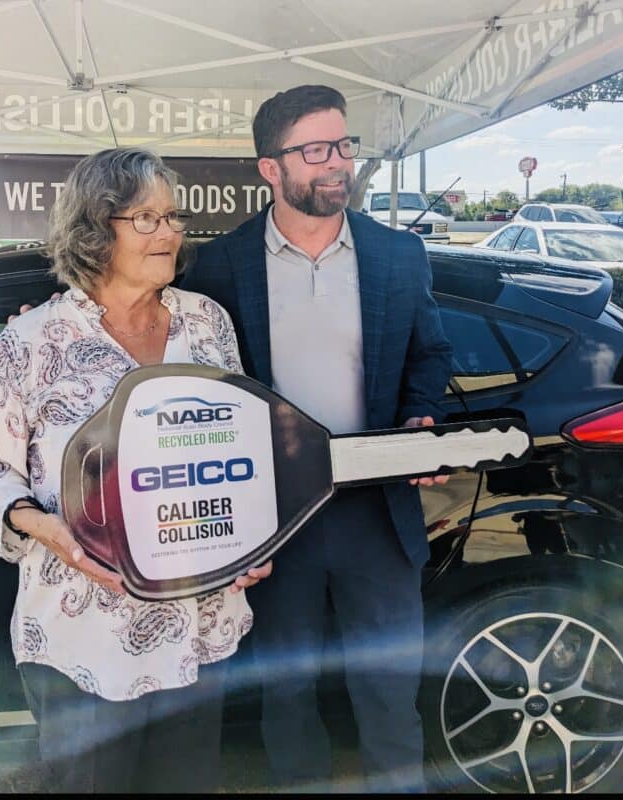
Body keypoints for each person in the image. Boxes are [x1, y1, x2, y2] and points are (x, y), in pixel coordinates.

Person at [0, 148, 271, 794]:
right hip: (82, 644)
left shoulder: (207, 325)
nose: (171, 231)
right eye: (147, 218)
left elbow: (242, 451)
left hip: (195, 634)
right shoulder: (32, 343)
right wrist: (49, 531)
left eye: (173, 216)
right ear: (97, 229)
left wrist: (252, 541)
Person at [180, 85, 453, 792]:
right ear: (270, 168)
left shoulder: (398, 255)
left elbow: (429, 354)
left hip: (377, 512)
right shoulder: (219, 267)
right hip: (275, 521)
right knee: (287, 695)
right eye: (316, 150)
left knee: (390, 692)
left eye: (344, 145)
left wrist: (421, 418)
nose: (339, 164)